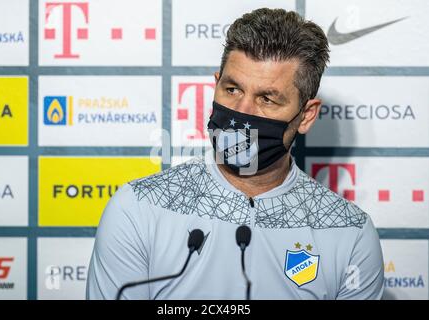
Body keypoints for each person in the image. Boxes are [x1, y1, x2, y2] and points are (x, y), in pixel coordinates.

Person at [86, 8, 384, 300]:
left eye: (267, 99)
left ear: (306, 116)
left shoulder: (350, 232)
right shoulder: (138, 209)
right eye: (232, 90)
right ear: (216, 83)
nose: (242, 112)